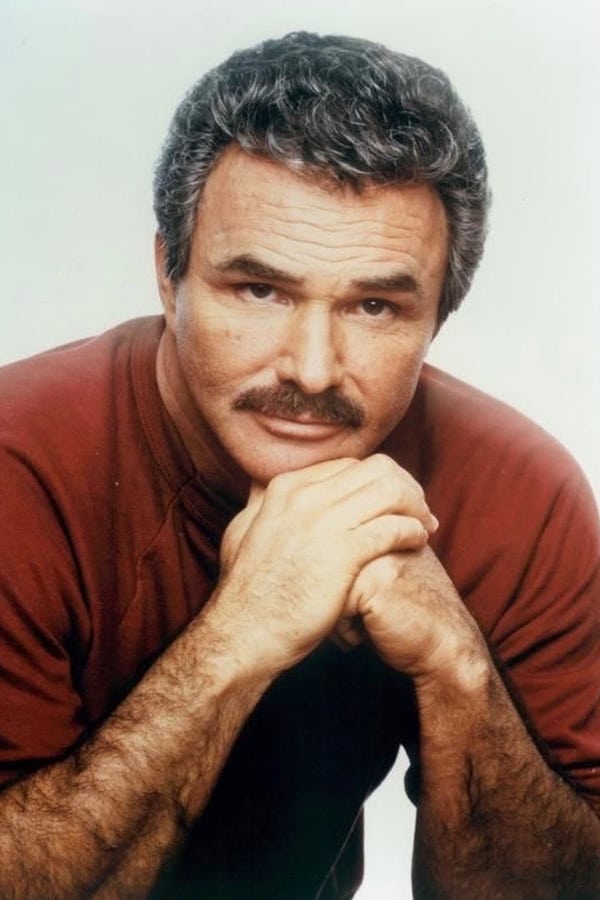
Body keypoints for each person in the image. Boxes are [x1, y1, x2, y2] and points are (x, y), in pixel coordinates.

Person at [0, 30, 599, 899]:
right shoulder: (18, 466)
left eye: (375, 306)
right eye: (260, 290)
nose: (312, 371)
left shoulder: (522, 496)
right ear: (168, 275)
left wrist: (456, 668)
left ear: (440, 314)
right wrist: (242, 632)